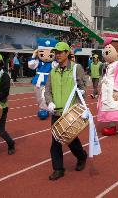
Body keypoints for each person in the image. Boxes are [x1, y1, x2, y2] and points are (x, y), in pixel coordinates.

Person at [44, 42, 88, 181]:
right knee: (55, 142)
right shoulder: (53, 71)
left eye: (60, 52)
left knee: (72, 141)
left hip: (71, 114)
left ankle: (81, 156)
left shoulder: (76, 68)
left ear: (67, 53)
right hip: (56, 114)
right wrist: (49, 102)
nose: (57, 54)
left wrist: (78, 104)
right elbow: (47, 90)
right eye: (56, 52)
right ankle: (58, 169)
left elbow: (83, 88)